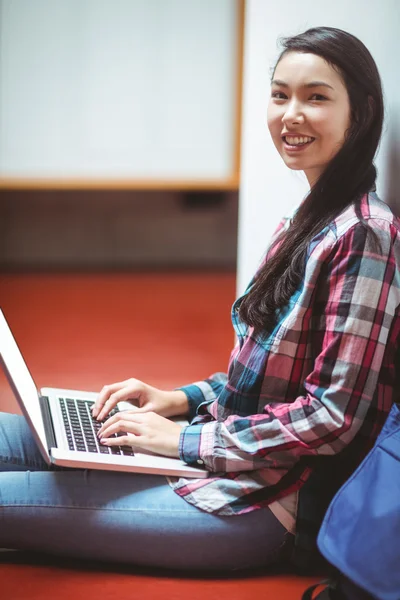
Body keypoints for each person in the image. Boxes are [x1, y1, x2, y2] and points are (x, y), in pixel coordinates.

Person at [0, 26, 399, 587]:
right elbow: (266, 378)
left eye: (316, 97)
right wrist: (178, 402)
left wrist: (181, 441)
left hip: (258, 505)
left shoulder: (366, 234)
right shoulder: (306, 220)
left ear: (361, 113)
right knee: (10, 435)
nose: (291, 114)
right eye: (280, 94)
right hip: (214, 458)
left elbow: (331, 416)